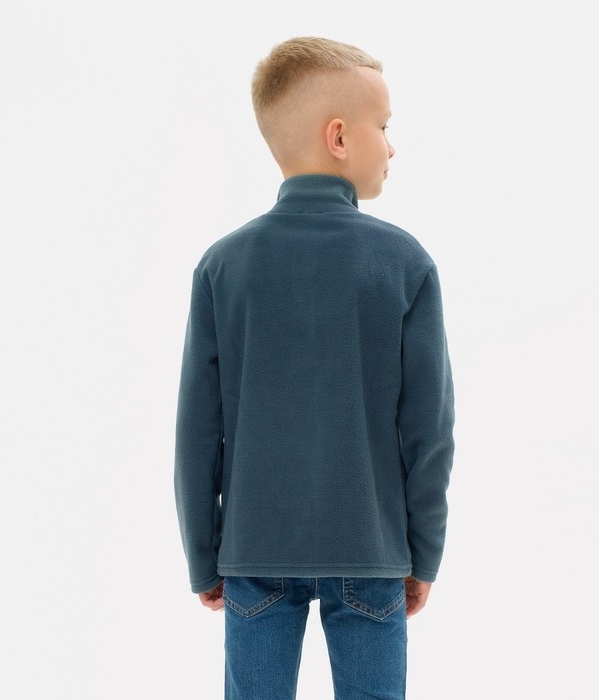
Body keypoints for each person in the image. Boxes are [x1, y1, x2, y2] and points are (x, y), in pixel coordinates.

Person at [174, 36, 455, 699]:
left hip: (254, 549)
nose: (391, 147)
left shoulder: (223, 266)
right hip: (371, 550)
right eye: (383, 127)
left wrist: (203, 557)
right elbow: (429, 433)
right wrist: (423, 550)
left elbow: (197, 432)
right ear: (338, 137)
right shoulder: (405, 264)